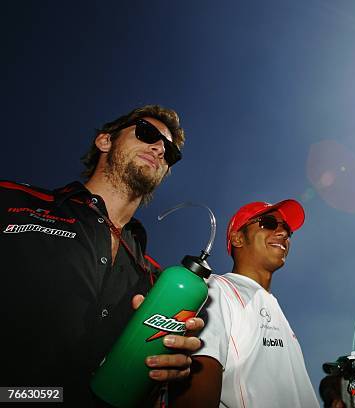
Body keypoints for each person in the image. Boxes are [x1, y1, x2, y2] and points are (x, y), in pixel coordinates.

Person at [0, 105, 204, 405]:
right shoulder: (11, 202)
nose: (160, 148)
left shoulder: (158, 281)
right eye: (147, 134)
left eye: (170, 153)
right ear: (105, 141)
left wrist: (169, 371)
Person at [171, 200, 319, 407]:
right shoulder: (215, 290)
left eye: (287, 229)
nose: (284, 233)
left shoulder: (273, 307)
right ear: (237, 238)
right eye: (268, 223)